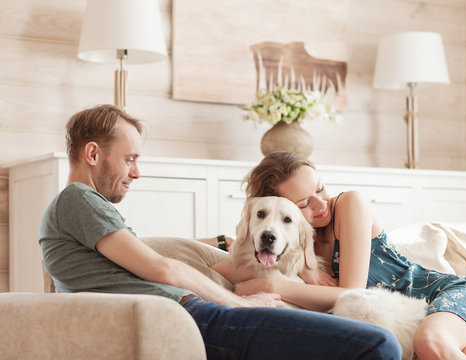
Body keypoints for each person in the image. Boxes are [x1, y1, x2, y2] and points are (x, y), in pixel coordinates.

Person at [39, 104, 401, 360]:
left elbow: (68, 273)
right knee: (380, 345)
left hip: (199, 314)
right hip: (204, 318)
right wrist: (239, 304)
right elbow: (164, 269)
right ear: (92, 154)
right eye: (130, 158)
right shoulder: (76, 200)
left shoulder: (79, 210)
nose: (136, 172)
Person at [224, 151, 466, 360]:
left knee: (429, 342)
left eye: (319, 188)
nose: (321, 204)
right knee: (461, 353)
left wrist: (274, 285)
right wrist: (302, 269)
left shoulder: (348, 204)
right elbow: (225, 262)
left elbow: (352, 293)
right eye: (304, 203)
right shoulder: (290, 241)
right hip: (400, 326)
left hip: (444, 296)